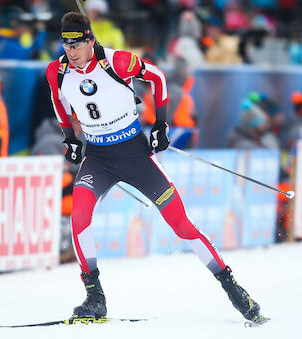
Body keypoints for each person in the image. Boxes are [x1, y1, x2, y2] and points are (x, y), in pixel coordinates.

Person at [46, 12, 266, 324]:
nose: (71, 51)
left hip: (136, 156)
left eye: (77, 44)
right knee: (79, 215)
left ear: (90, 40)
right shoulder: (57, 70)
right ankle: (95, 296)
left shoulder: (117, 62)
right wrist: (69, 137)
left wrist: (161, 124)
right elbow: (59, 102)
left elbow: (158, 77)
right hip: (98, 158)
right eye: (66, 44)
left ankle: (232, 286)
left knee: (181, 224)